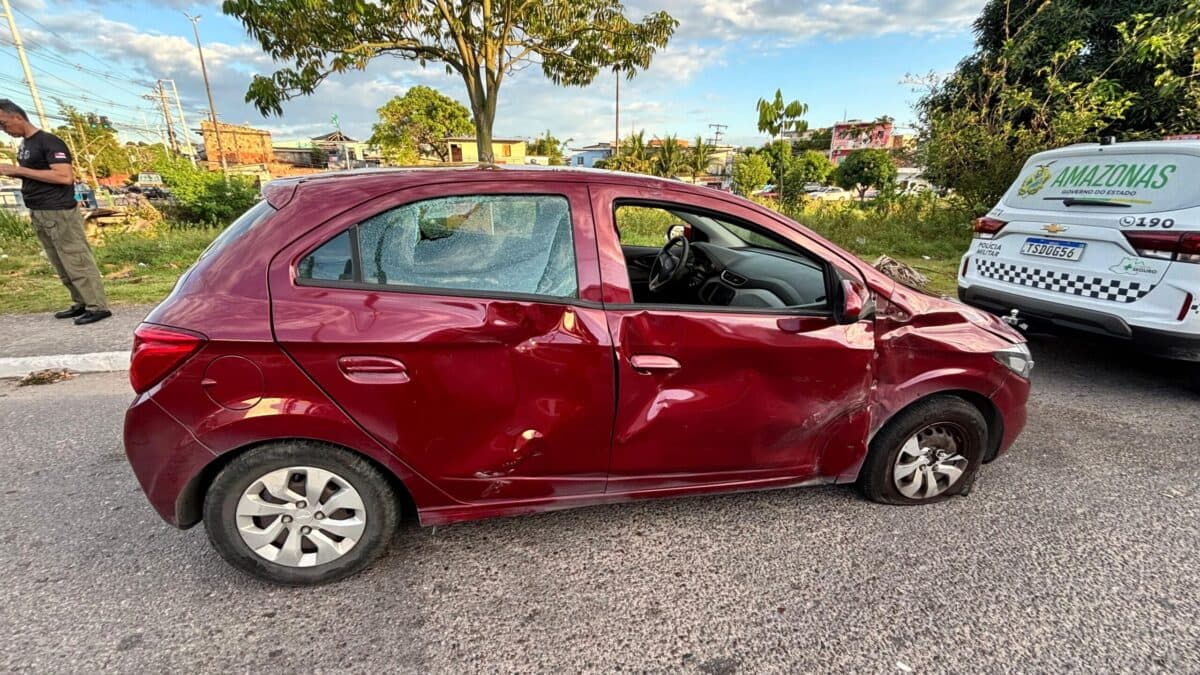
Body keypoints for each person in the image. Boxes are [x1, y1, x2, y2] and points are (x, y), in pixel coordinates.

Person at [0, 100, 110, 324]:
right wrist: (19, 174)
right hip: (39, 209)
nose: (4, 130)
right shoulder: (25, 144)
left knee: (75, 258)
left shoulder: (49, 142)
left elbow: (64, 177)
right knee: (59, 261)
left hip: (58, 210)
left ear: (16, 117)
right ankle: (80, 301)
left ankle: (97, 306)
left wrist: (19, 170)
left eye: (3, 124)